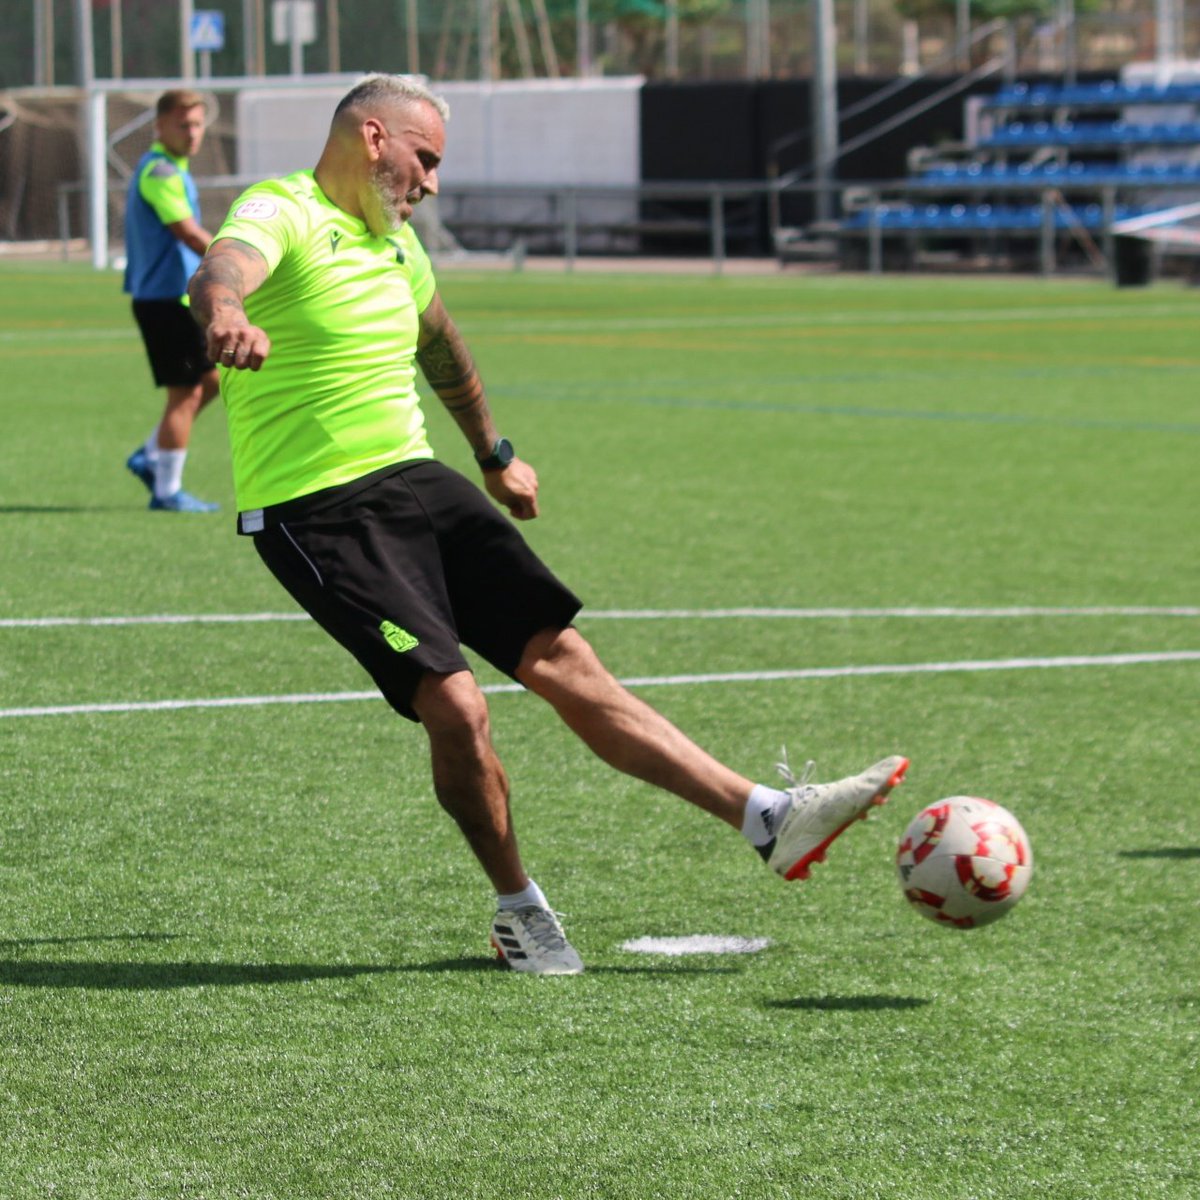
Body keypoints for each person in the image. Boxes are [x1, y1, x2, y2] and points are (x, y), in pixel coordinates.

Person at [188, 74, 908, 976]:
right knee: (455, 703)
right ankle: (517, 909)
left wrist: (492, 453)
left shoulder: (398, 245)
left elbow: (440, 341)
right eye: (426, 158)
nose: (432, 183)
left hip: (418, 480)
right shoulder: (282, 208)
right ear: (373, 137)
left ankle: (769, 817)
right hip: (319, 509)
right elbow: (223, 268)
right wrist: (224, 312)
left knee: (569, 663)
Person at [122, 89, 220, 513]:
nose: (192, 132)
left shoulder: (174, 168)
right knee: (185, 394)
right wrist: (237, 263)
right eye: (183, 124)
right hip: (164, 300)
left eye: (198, 124)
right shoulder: (160, 171)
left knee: (213, 379)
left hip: (176, 299)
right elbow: (188, 233)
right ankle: (166, 491)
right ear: (160, 126)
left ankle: (149, 453)